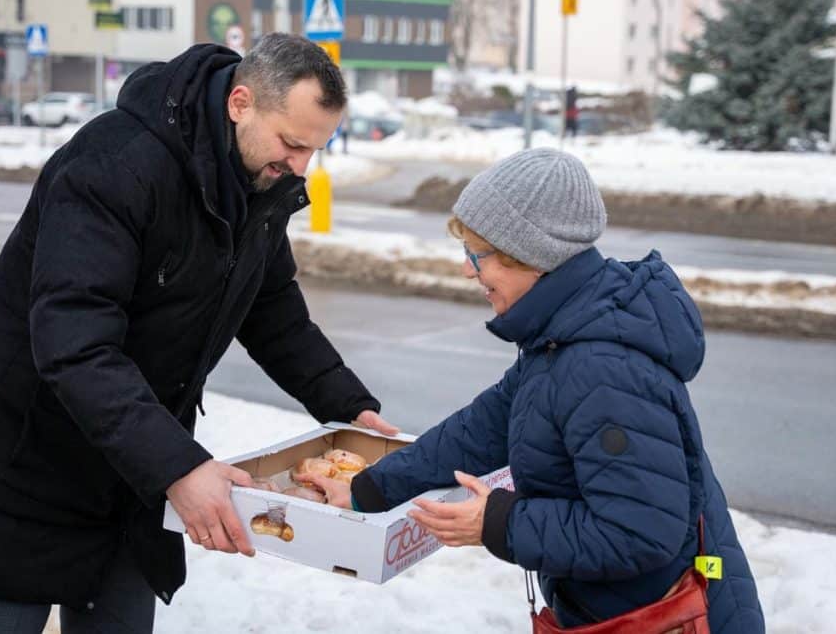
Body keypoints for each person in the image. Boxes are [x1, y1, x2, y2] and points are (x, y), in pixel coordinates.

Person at [0, 33, 397, 633]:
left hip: (133, 467)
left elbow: (273, 309)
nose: (299, 167)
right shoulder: (114, 167)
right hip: (23, 464)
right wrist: (179, 469)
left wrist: (349, 408)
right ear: (240, 103)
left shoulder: (256, 183)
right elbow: (75, 346)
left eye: (313, 150)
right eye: (292, 144)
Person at [300, 149, 764, 633]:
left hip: (669, 619)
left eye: (476, 255)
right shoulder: (563, 337)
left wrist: (497, 522)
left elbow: (638, 532)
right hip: (614, 611)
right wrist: (367, 490)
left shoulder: (601, 367)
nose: (466, 270)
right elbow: (478, 430)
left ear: (530, 257)